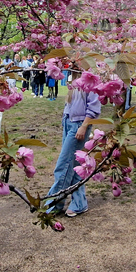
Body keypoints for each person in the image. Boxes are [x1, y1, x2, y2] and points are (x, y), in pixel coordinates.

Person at [47, 79, 101, 218]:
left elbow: (94, 107)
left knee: (63, 165)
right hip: (69, 122)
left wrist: (84, 126)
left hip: (79, 125)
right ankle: (79, 203)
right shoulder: (75, 75)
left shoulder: (92, 78)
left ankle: (53, 204)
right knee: (76, 166)